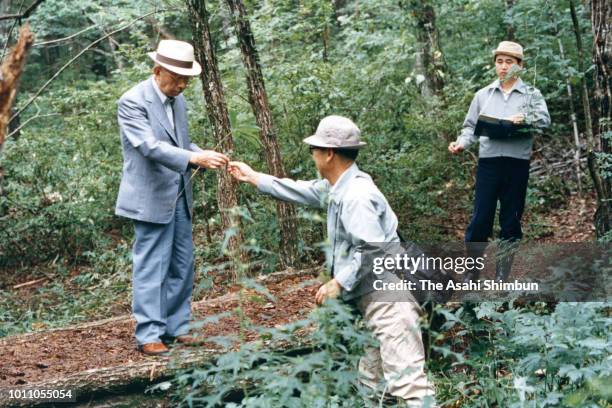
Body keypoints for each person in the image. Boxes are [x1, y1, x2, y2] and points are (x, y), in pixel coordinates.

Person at [228, 116, 436, 407]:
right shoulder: (339, 186)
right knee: (374, 382)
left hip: (390, 297)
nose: (312, 154)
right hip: (374, 296)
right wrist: (253, 177)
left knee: (408, 383)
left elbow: (372, 249)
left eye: (315, 148)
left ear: (329, 153)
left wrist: (339, 282)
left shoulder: (356, 196)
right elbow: (302, 190)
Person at [115, 39, 229, 355]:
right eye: (176, 78)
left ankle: (176, 328)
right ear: (157, 70)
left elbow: (180, 143)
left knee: (182, 262)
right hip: (149, 196)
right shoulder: (132, 102)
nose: (181, 85)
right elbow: (149, 147)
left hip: (180, 193)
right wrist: (194, 158)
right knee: (152, 265)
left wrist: (203, 153)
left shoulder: (178, 101)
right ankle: (149, 333)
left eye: (186, 80)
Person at [448, 41, 550, 281]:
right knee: (480, 219)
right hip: (489, 165)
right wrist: (461, 143)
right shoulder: (483, 94)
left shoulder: (531, 95)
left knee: (511, 221)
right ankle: (472, 274)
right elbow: (470, 127)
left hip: (517, 165)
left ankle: (503, 276)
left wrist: (525, 118)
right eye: (499, 61)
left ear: (519, 66)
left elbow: (544, 121)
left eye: (509, 62)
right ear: (495, 64)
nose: (503, 67)